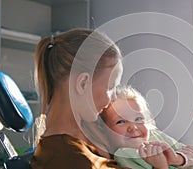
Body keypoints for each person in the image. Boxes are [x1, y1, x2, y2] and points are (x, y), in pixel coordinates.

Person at [31, 28, 125, 169]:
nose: (114, 98)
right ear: (82, 83)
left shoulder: (92, 132)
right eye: (111, 87)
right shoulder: (68, 159)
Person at [95, 85, 193, 169]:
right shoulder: (124, 155)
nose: (133, 127)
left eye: (138, 119)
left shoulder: (154, 134)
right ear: (105, 130)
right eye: (121, 121)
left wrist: (177, 158)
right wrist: (160, 166)